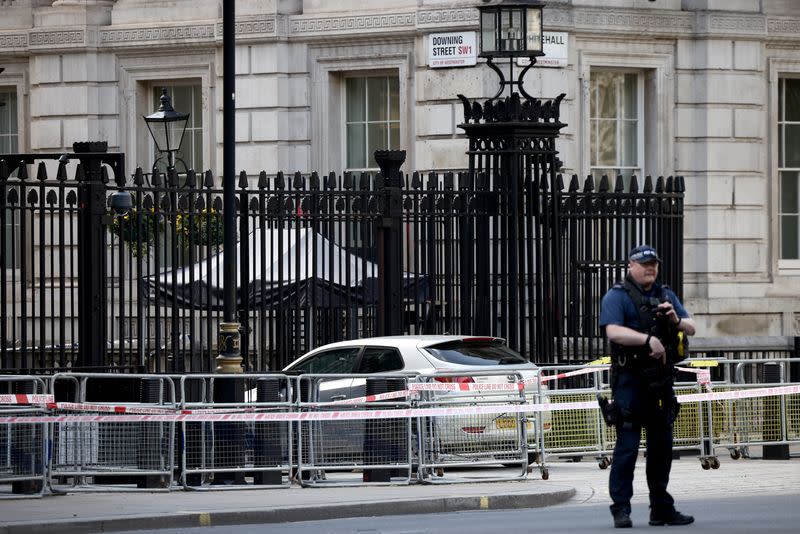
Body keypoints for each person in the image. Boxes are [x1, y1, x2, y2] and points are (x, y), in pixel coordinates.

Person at [599, 245, 697, 529]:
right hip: (630, 383)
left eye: (653, 264)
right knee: (627, 450)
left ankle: (661, 509)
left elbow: (691, 327)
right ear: (630, 265)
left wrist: (674, 319)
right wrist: (646, 340)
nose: (650, 268)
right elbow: (613, 330)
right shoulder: (617, 296)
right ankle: (621, 509)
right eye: (644, 264)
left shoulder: (665, 295)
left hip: (661, 384)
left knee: (661, 450)